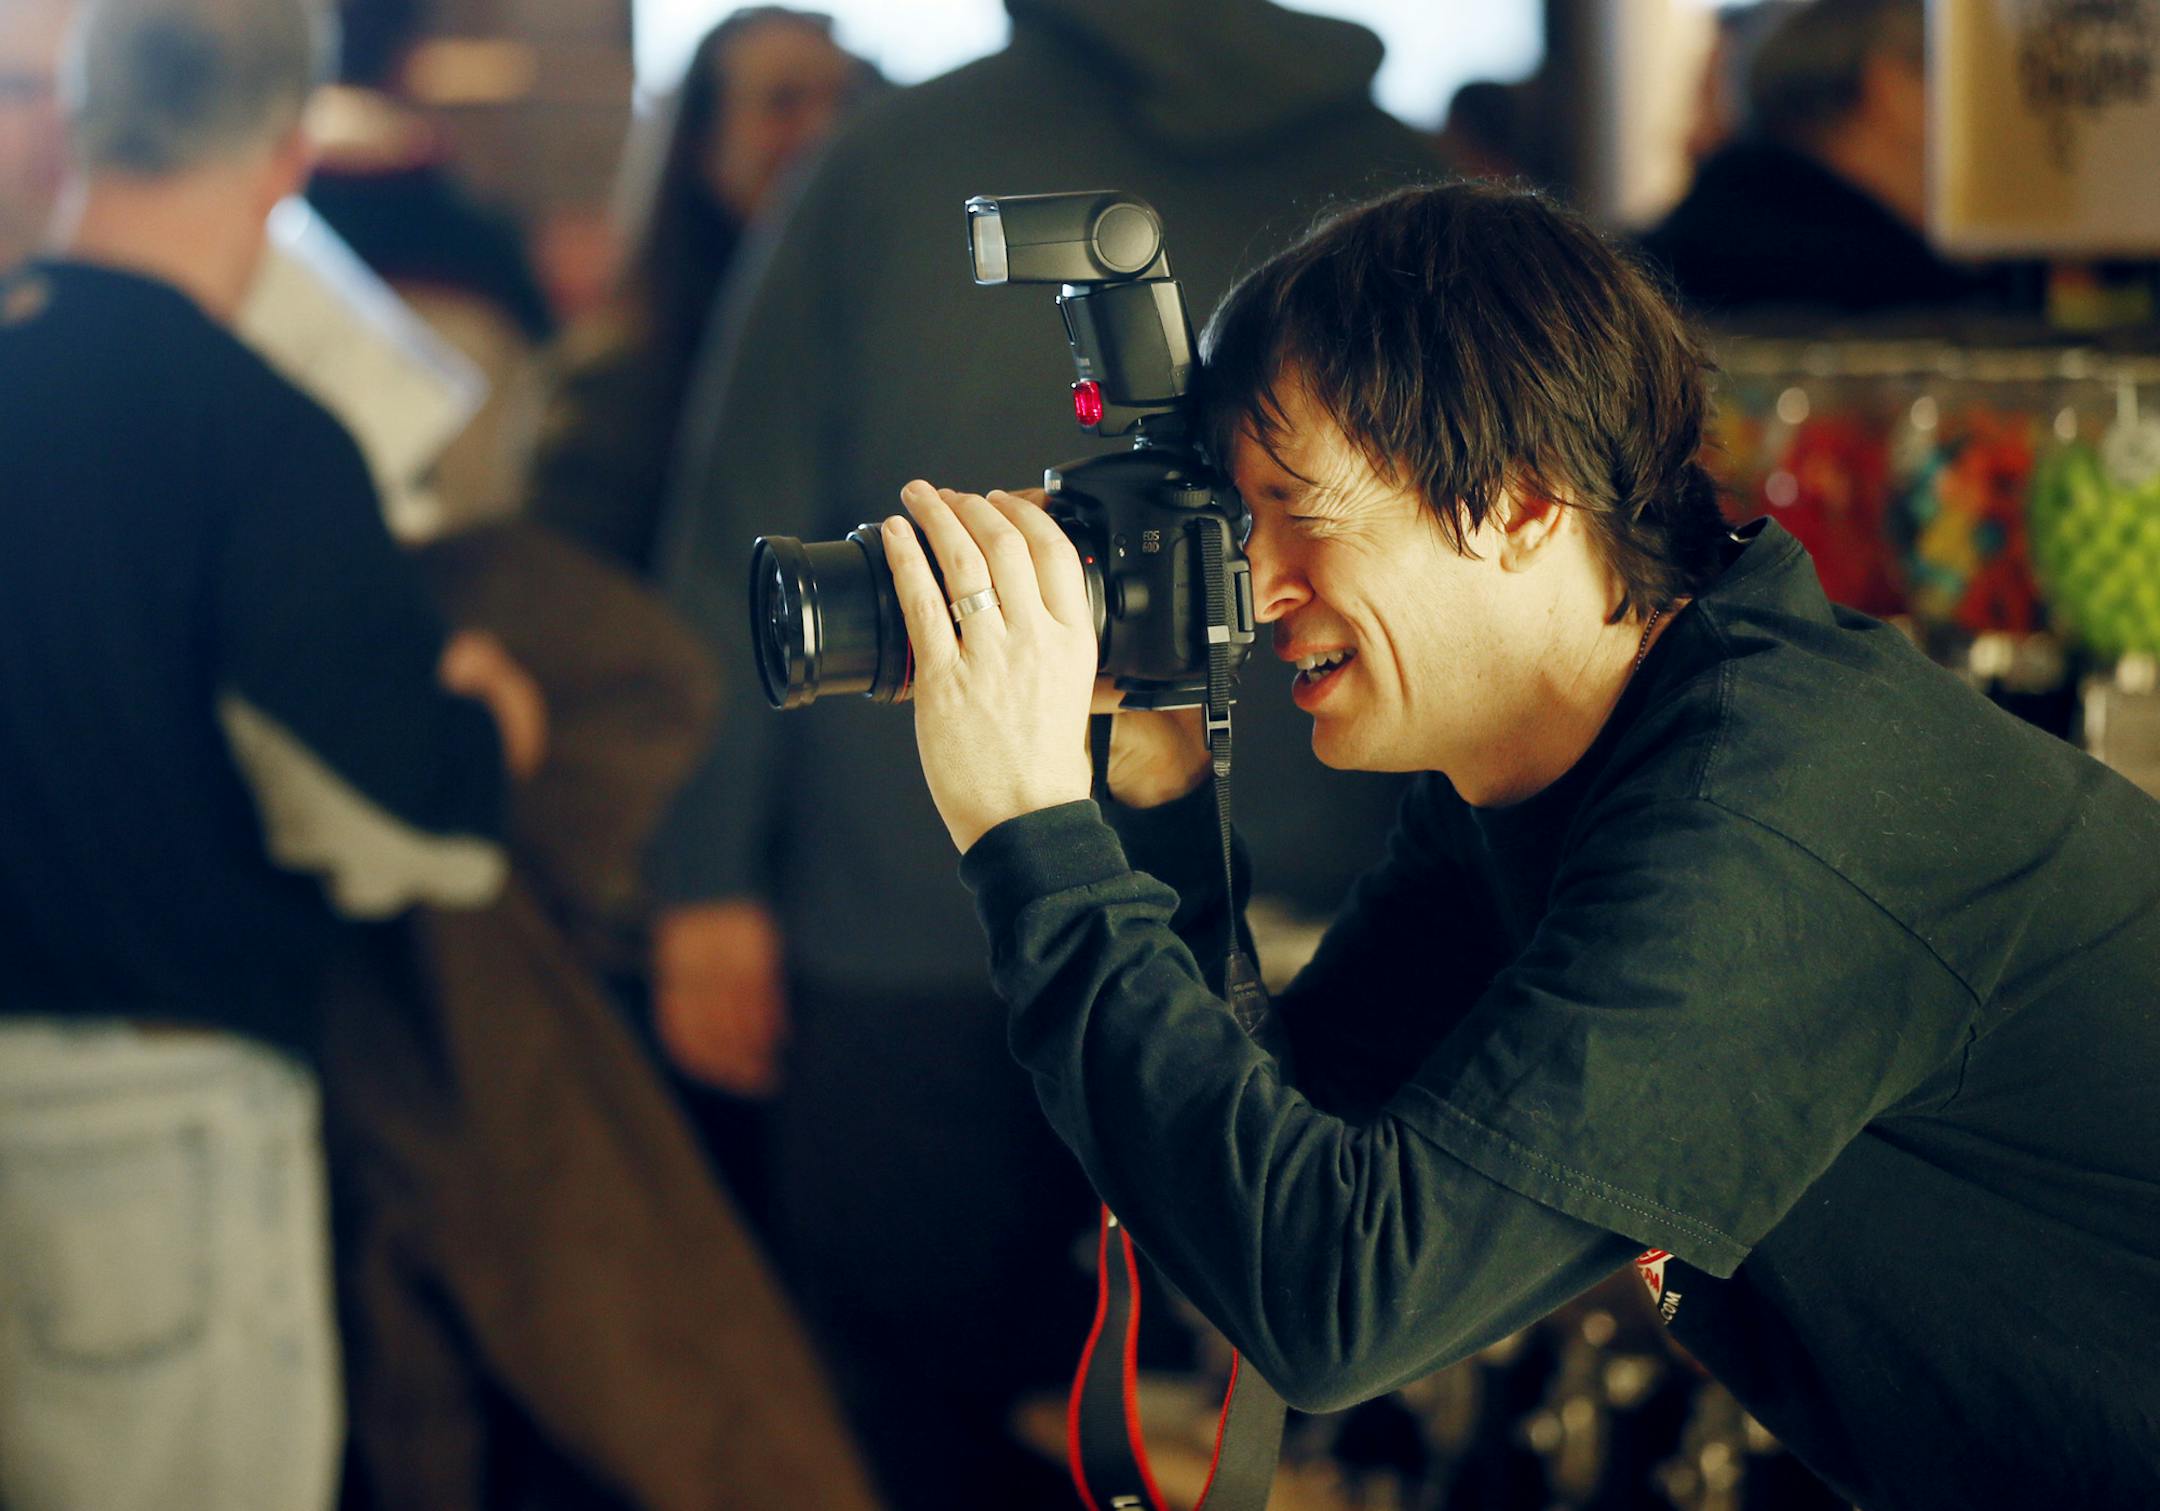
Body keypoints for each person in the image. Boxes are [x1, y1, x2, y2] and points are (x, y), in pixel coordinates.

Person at [881, 181, 2160, 1511]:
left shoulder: (1774, 808)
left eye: (1296, 512)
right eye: (1234, 521)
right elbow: (1284, 1159)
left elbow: (1340, 1305)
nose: (1253, 589)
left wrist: (1028, 832)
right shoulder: (1555, 767)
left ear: (1521, 500)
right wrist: (1153, 803)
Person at [651, 2, 1442, 1502]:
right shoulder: (1407, 197)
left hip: (906, 912)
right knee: (1280, 1426)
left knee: (913, 1415)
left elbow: (728, 533)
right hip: (1310, 917)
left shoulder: (886, 165)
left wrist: (705, 880)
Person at [0, 0, 541, 1502]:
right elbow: (395, 823)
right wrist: (485, 720)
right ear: (285, 154)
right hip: (145, 1141)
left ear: (85, 122)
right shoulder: (260, 435)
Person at [529, 7, 874, 577]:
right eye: (784, 102)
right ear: (701, 142)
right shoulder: (615, 384)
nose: (822, 132)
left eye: (844, 100)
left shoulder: (876, 346)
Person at [1641, 0, 1990, 315]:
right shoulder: (1913, 302)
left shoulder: (1641, 276)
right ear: (1890, 87)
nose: (1987, 118)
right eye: (1962, 82)